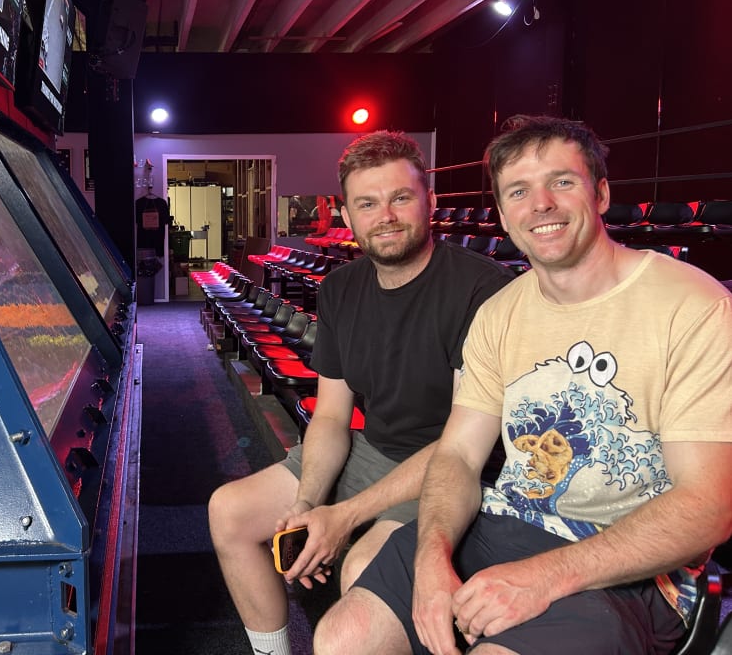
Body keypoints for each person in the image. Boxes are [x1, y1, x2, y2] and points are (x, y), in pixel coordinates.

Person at [314, 115, 732, 655]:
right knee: (340, 637)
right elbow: (459, 458)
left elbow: (708, 505)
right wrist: (431, 555)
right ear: (505, 215)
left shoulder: (694, 308)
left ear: (601, 193)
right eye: (519, 190)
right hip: (505, 524)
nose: (541, 205)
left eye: (562, 181)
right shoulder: (500, 313)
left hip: (632, 569)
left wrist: (543, 577)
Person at [208, 130, 514, 655]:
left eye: (401, 198)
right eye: (367, 203)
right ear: (346, 216)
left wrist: (343, 517)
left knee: (360, 567)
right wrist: (308, 504)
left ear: (430, 201)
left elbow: (462, 446)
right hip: (372, 451)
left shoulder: (484, 289)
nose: (386, 216)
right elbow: (330, 417)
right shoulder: (341, 289)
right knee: (229, 511)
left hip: (449, 467)